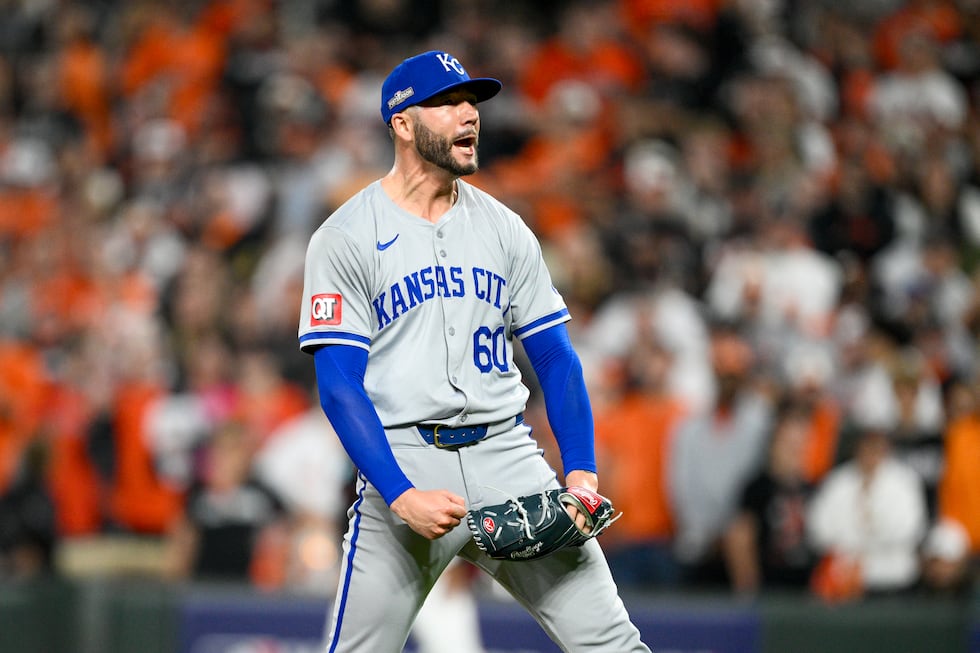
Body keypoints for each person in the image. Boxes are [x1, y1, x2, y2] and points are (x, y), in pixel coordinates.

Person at [297, 50, 650, 652]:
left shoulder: (505, 228)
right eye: (446, 103)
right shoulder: (346, 237)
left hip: (507, 453)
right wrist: (401, 493)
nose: (468, 115)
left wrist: (582, 472)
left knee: (614, 644)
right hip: (404, 457)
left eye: (472, 102)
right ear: (402, 124)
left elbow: (557, 357)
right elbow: (338, 384)